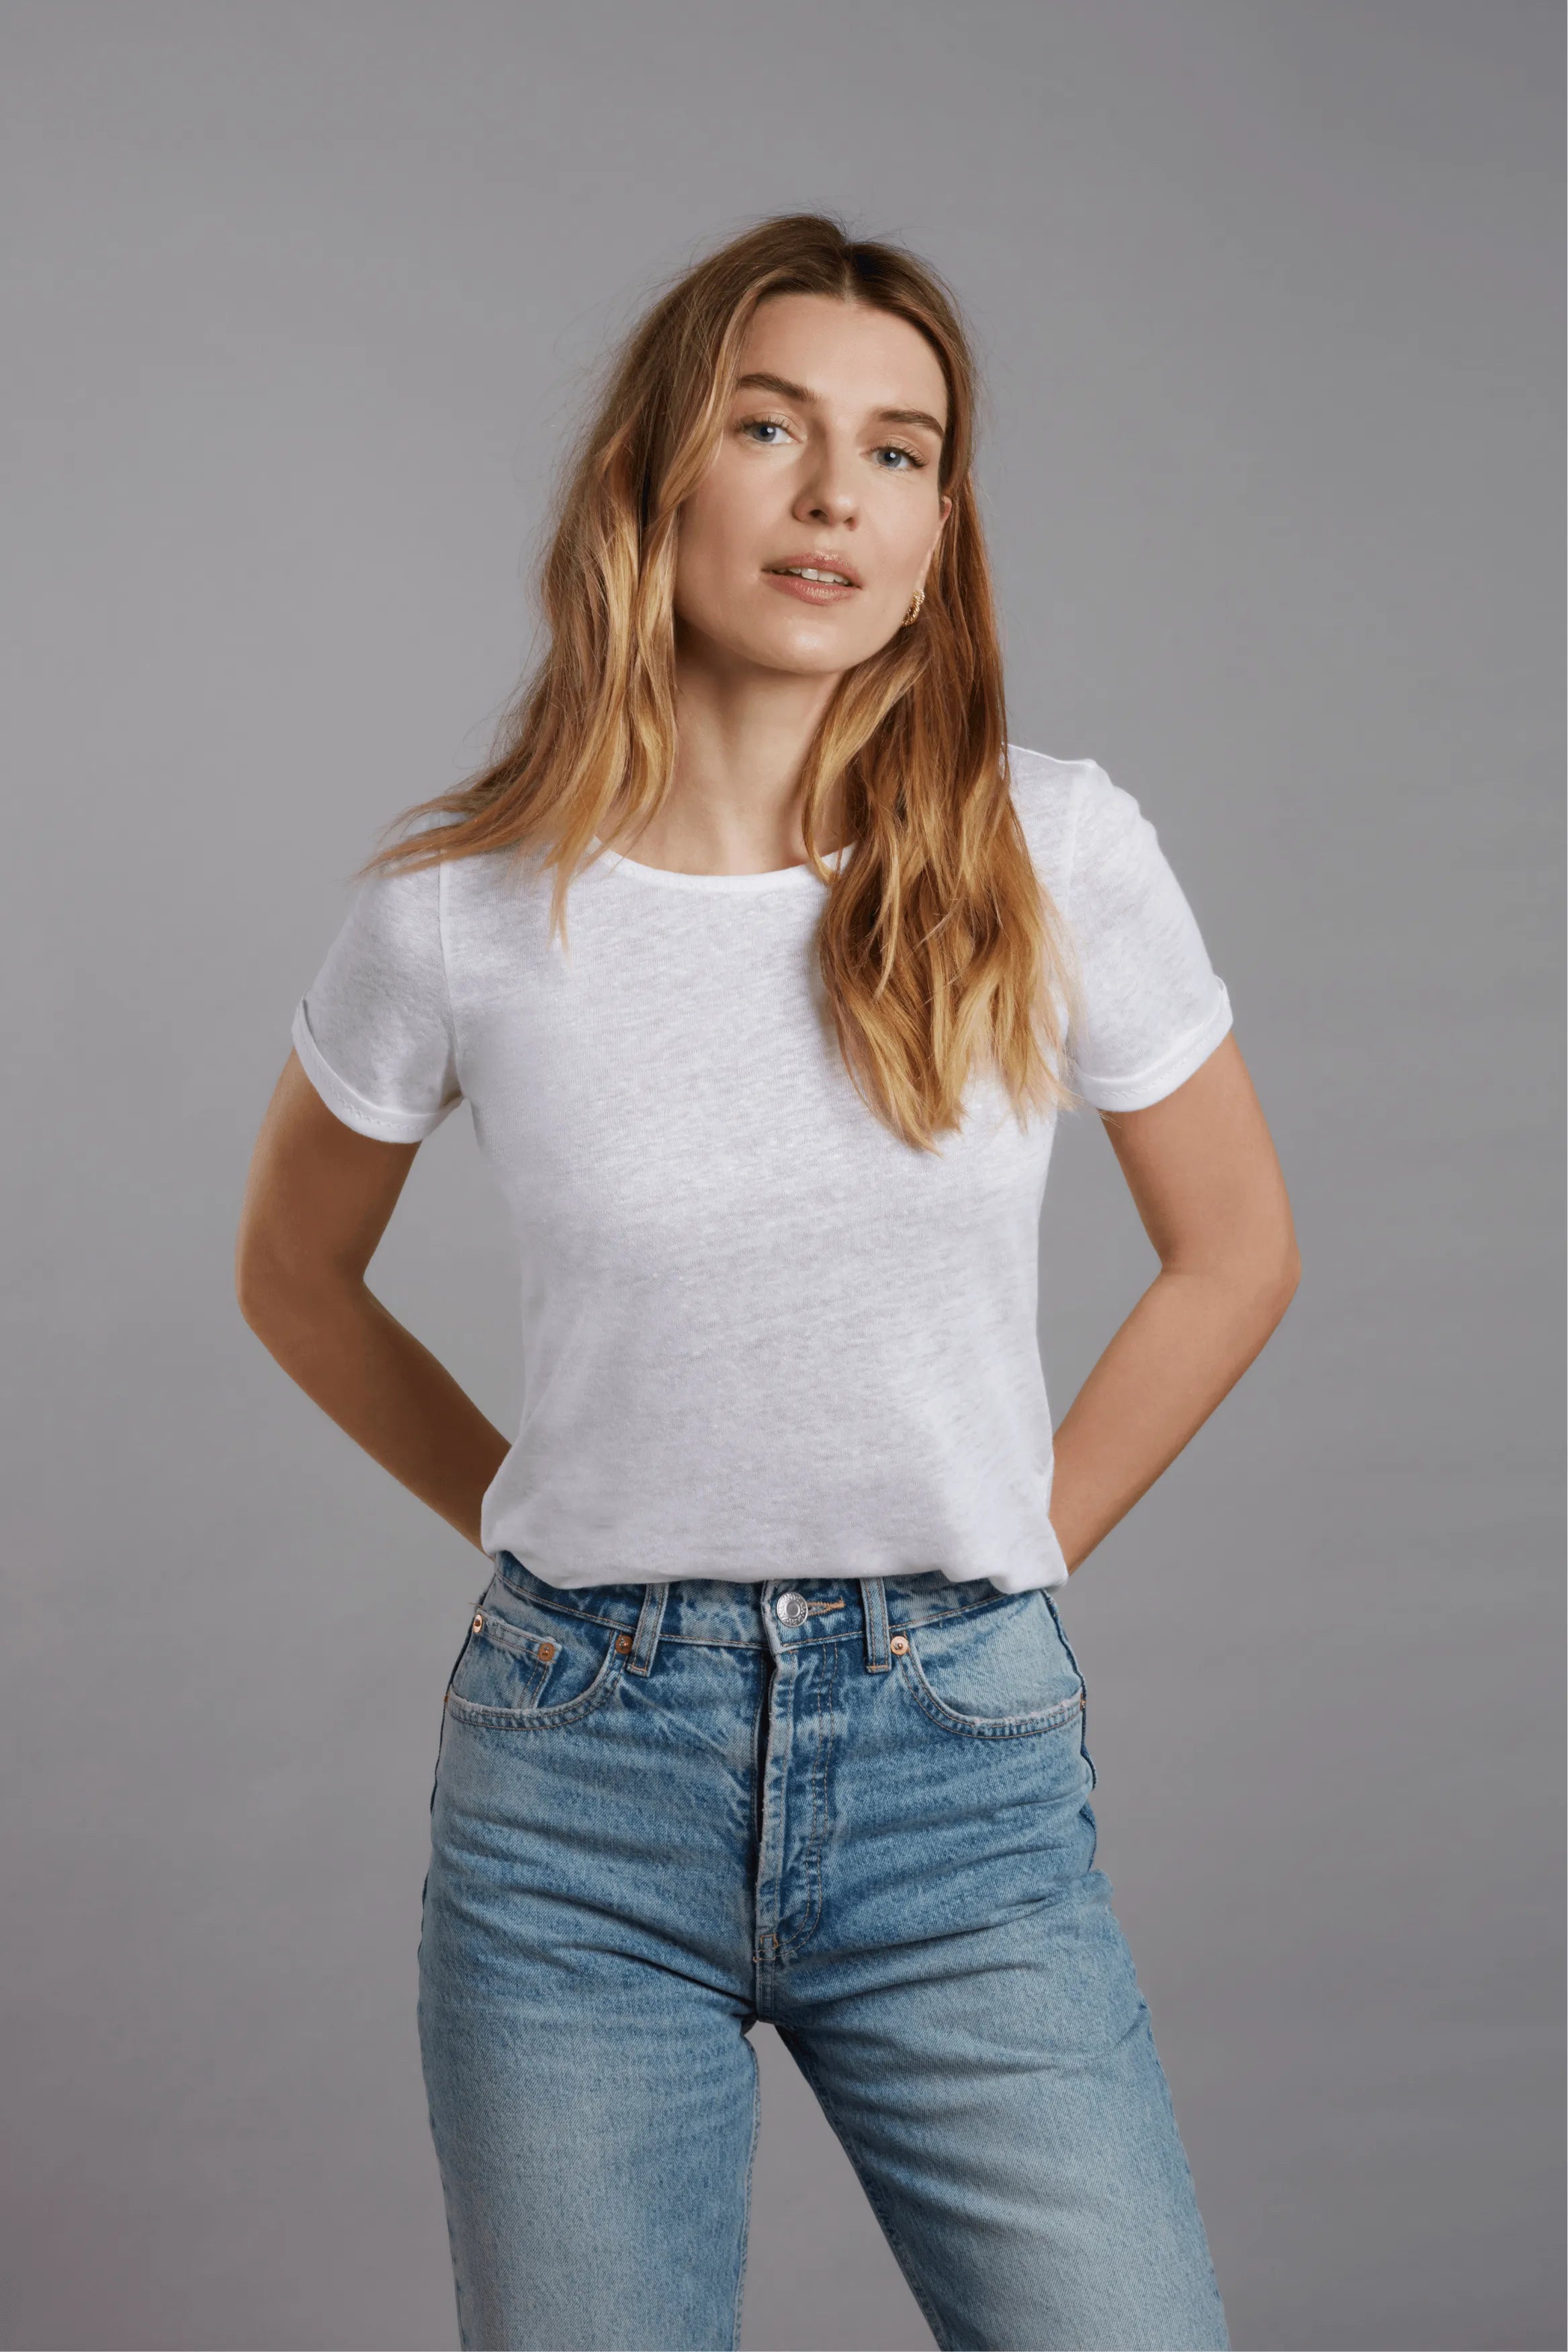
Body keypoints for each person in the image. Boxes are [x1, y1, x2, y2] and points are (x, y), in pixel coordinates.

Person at [235, 212, 1297, 2352]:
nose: (837, 496)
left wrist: (1011, 1554)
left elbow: (1236, 1250)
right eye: (770, 427)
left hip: (956, 1770)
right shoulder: (461, 906)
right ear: (654, 474)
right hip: (579, 1796)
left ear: (938, 530)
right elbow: (294, 1271)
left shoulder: (1051, 847)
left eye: (900, 451)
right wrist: (543, 1516)